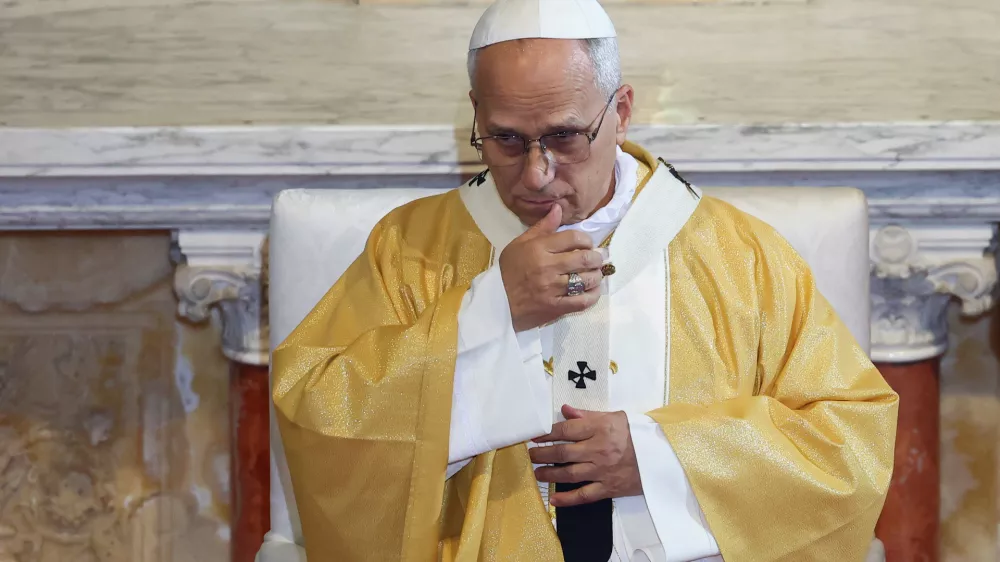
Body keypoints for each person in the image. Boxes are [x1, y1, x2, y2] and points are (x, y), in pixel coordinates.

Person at [266, 0, 899, 560]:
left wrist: (659, 458)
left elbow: (850, 442)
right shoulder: (411, 249)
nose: (536, 174)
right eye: (505, 139)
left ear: (620, 111)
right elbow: (322, 420)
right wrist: (489, 311)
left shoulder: (739, 255)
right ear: (476, 114)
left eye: (565, 137)